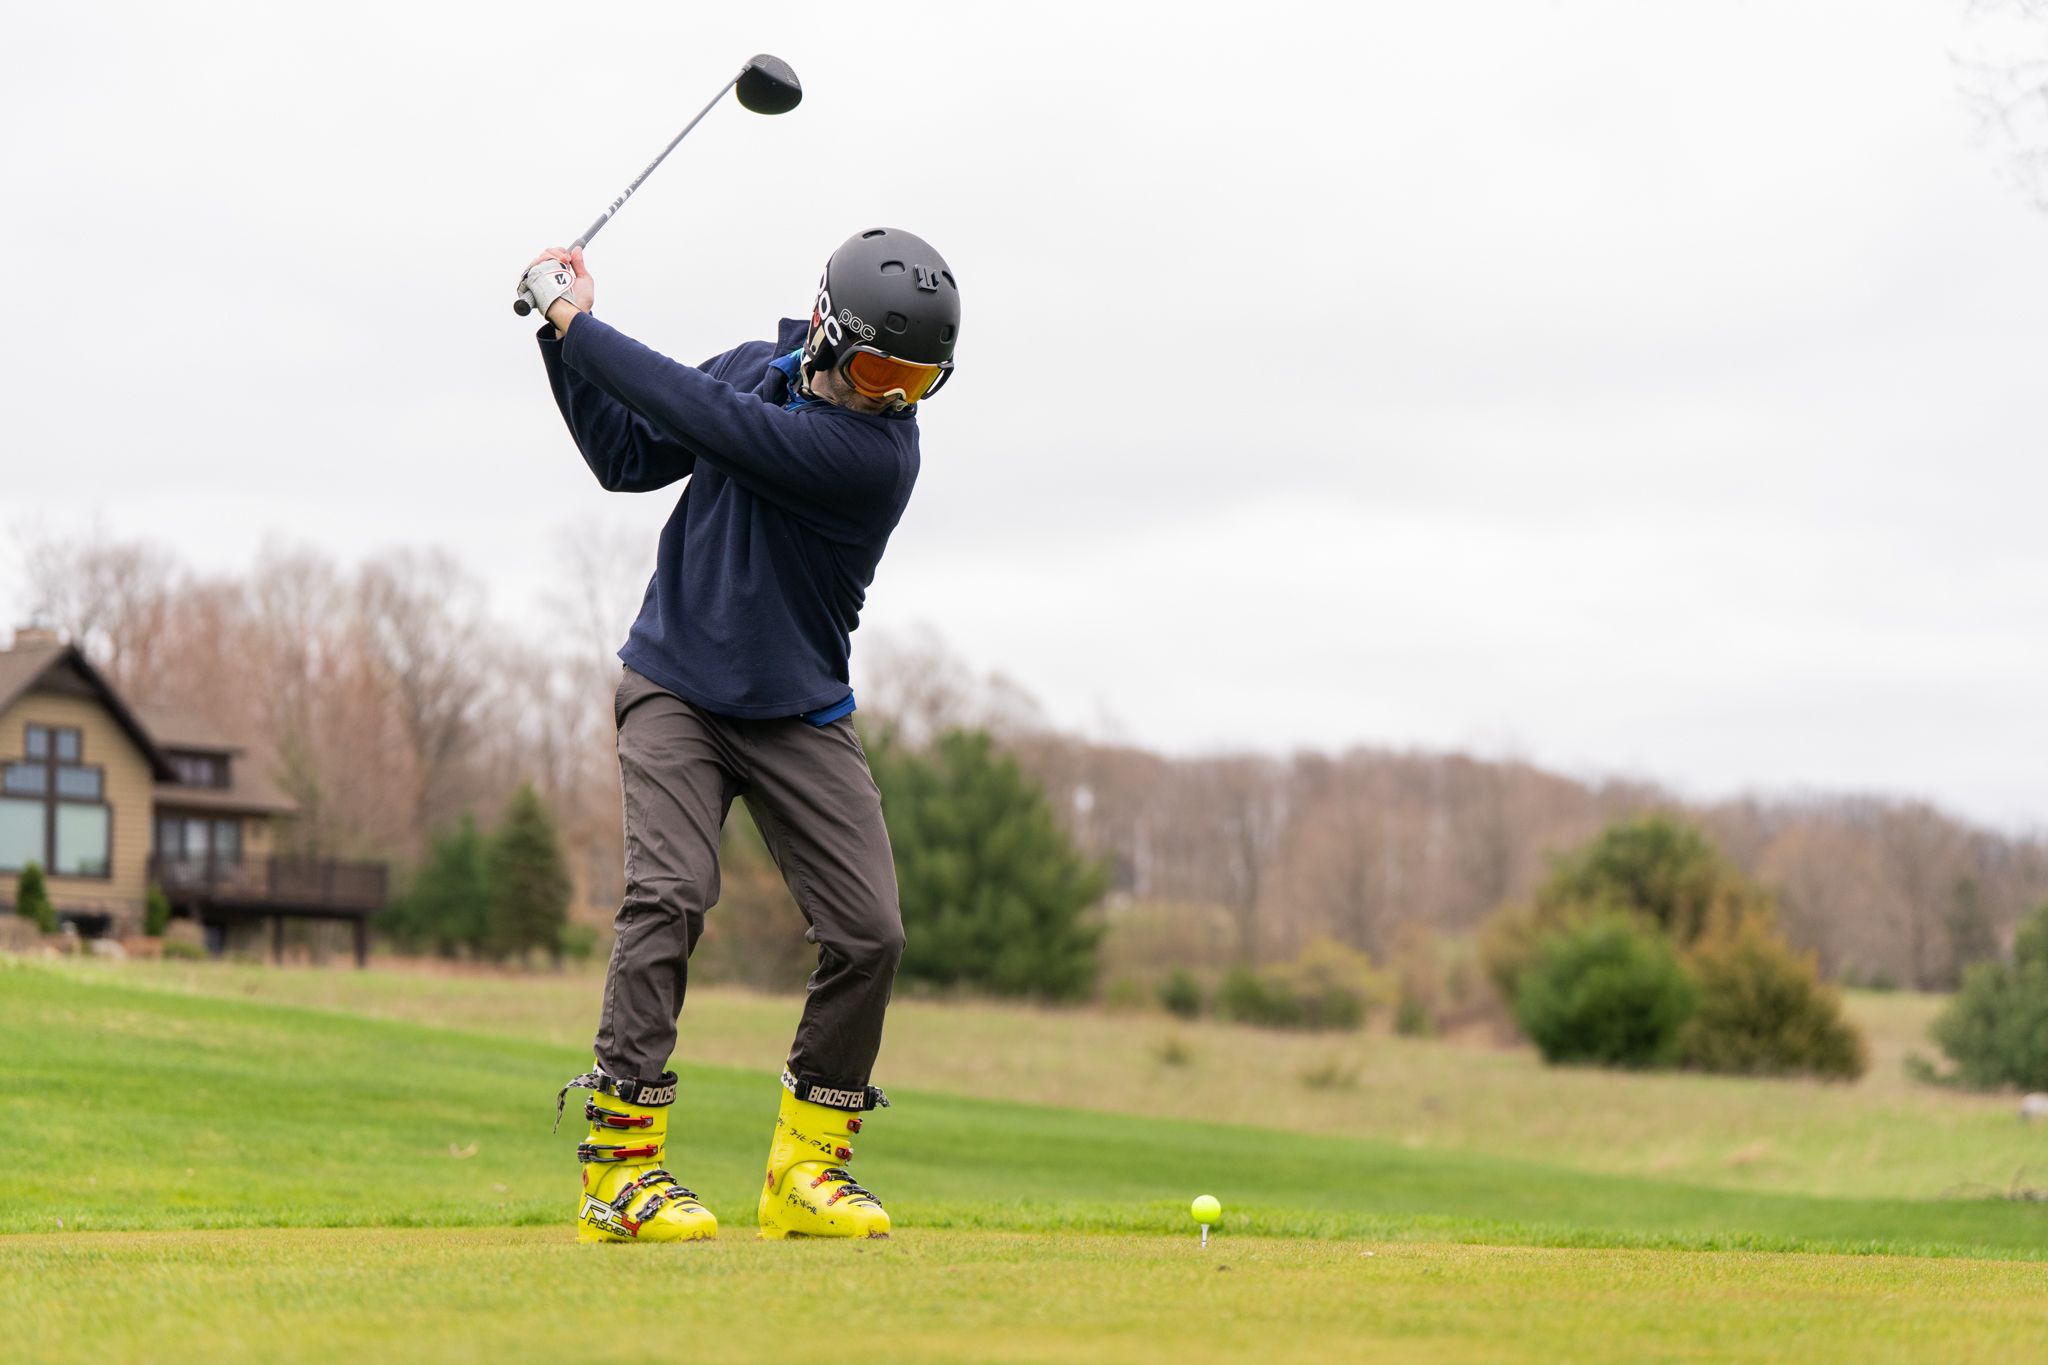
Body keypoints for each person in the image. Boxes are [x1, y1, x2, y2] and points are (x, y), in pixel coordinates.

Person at [518, 227, 960, 1242]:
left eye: (920, 381)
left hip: (798, 709)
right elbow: (626, 456)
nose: (898, 395)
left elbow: (701, 418)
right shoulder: (753, 375)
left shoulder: (873, 456)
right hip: (675, 688)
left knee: (870, 933)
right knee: (667, 894)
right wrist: (556, 343)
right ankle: (619, 1171)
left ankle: (805, 1169)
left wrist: (572, 317)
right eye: (884, 369)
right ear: (828, 332)